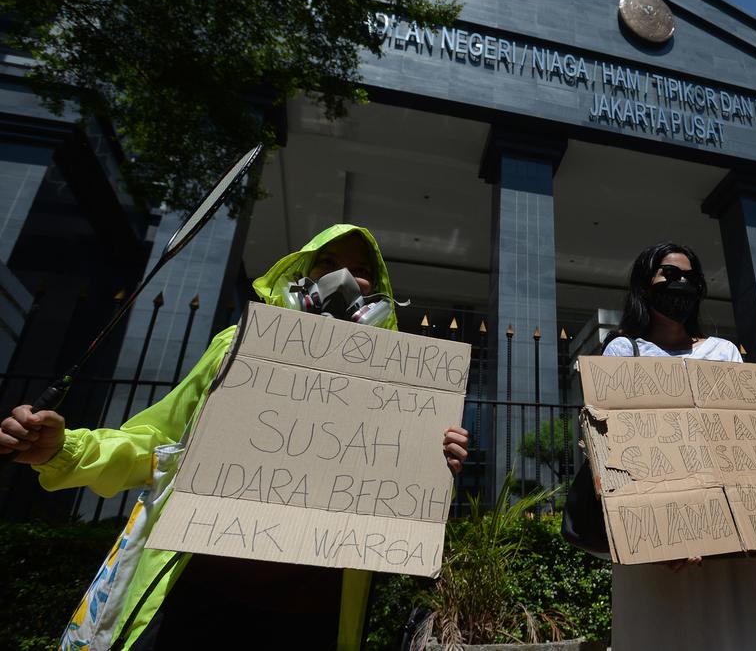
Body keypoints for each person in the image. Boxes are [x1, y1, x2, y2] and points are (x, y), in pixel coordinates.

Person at [0, 224, 470, 650]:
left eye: (362, 270)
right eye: (328, 262)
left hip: (314, 618)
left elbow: (393, 509)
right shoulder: (237, 345)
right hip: (195, 598)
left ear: (378, 292)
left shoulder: (398, 385)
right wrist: (64, 449)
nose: (344, 277)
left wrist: (432, 467)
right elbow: (155, 444)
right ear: (301, 274)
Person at [599, 241, 756, 651]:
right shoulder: (623, 349)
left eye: (690, 277)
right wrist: (651, 534)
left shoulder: (723, 351)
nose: (681, 283)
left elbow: (752, 438)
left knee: (738, 632)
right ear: (643, 283)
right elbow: (610, 449)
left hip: (731, 527)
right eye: (669, 274)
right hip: (662, 532)